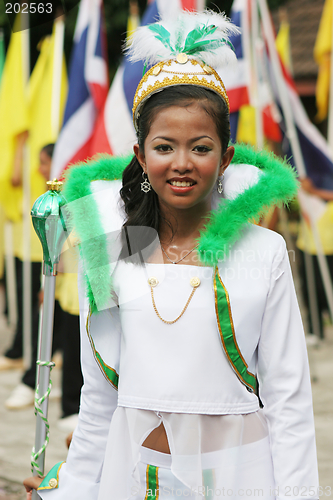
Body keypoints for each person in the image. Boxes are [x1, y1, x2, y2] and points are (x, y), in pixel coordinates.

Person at [24, 11, 319, 500]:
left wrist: (299, 494)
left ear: (225, 157)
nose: (181, 163)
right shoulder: (111, 252)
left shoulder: (263, 251)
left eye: (200, 147)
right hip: (131, 476)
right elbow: (98, 399)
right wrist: (73, 491)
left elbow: (289, 401)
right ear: (140, 156)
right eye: (164, 147)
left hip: (237, 479)